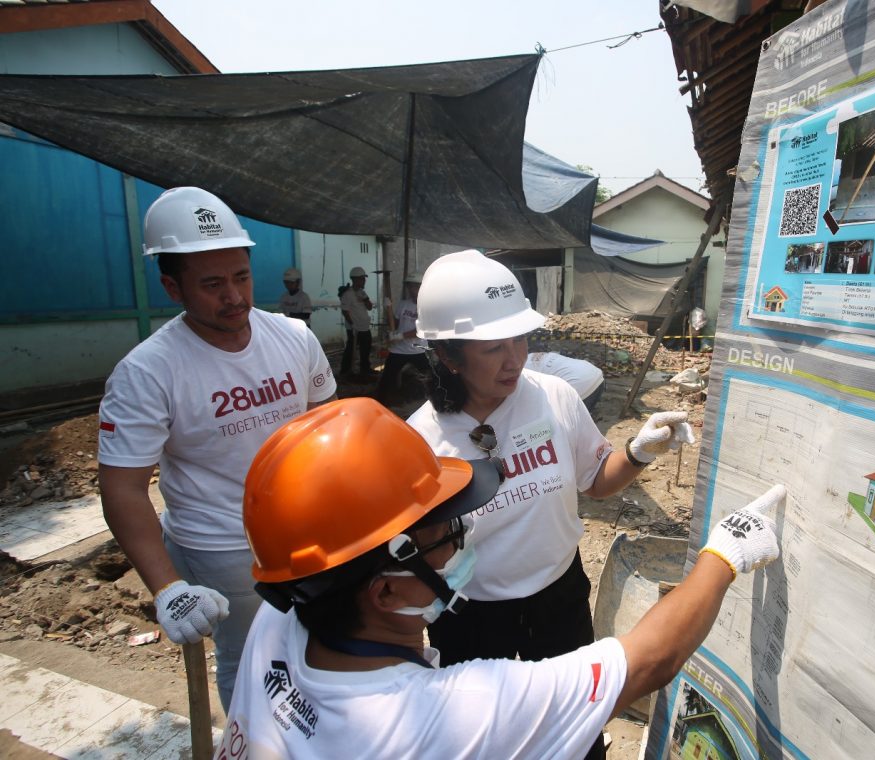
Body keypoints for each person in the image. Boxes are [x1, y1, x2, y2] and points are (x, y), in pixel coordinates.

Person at [219, 396, 784, 758]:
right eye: (444, 536)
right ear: (386, 589)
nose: (461, 542)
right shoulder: (444, 715)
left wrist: (633, 453)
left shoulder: (281, 618)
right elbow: (648, 662)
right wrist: (723, 553)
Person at [407, 250, 695, 757]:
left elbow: (595, 483)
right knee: (489, 739)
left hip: (559, 597)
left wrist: (636, 453)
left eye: (520, 339)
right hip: (473, 616)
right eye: (493, 348)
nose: (514, 359)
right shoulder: (421, 441)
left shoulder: (554, 396)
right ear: (448, 356)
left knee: (578, 728)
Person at [97, 186, 338, 713]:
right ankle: (253, 744)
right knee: (251, 660)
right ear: (172, 286)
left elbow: (329, 428)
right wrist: (167, 588)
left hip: (303, 528)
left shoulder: (294, 338)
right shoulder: (147, 373)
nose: (233, 296)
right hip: (223, 545)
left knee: (321, 643)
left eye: (241, 277)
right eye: (211, 284)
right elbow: (122, 488)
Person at [376, 271, 431, 404]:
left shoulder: (426, 307)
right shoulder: (403, 304)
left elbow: (421, 329)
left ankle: (434, 399)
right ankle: (380, 402)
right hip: (398, 350)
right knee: (387, 376)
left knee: (430, 375)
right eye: (410, 286)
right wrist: (390, 326)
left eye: (416, 287)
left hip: (417, 350)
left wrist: (399, 336)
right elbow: (395, 322)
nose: (413, 290)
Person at [525, 351, 606, 413]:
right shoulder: (531, 356)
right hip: (596, 374)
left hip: (579, 384)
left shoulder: (523, 370)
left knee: (560, 417)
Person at [339, 266, 375, 377]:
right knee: (351, 349)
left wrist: (365, 298)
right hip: (354, 328)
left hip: (364, 327)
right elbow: (345, 311)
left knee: (366, 349)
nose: (364, 281)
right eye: (362, 279)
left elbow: (369, 307)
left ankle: (365, 369)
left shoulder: (362, 292)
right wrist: (352, 324)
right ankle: (345, 371)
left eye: (364, 279)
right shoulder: (347, 294)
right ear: (354, 279)